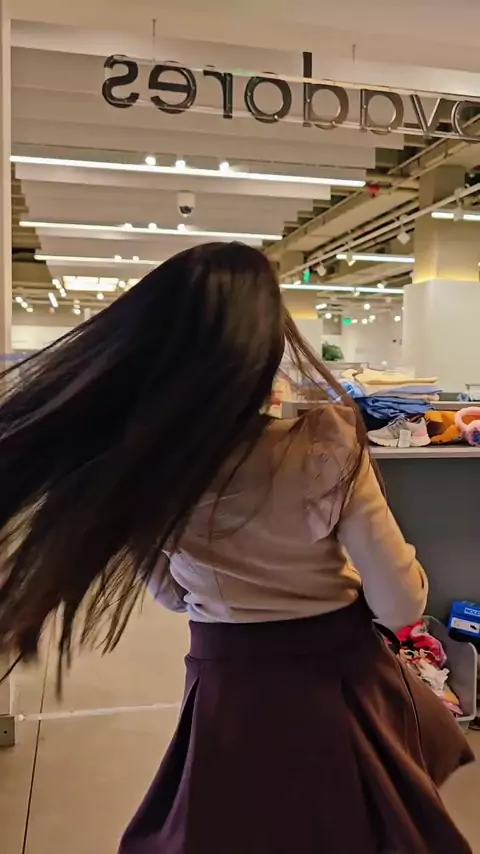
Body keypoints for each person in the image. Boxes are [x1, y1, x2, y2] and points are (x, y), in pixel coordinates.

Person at [0, 242, 473, 854]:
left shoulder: (150, 461)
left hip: (228, 685)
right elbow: (401, 605)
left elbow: (172, 596)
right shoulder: (326, 441)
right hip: (339, 681)